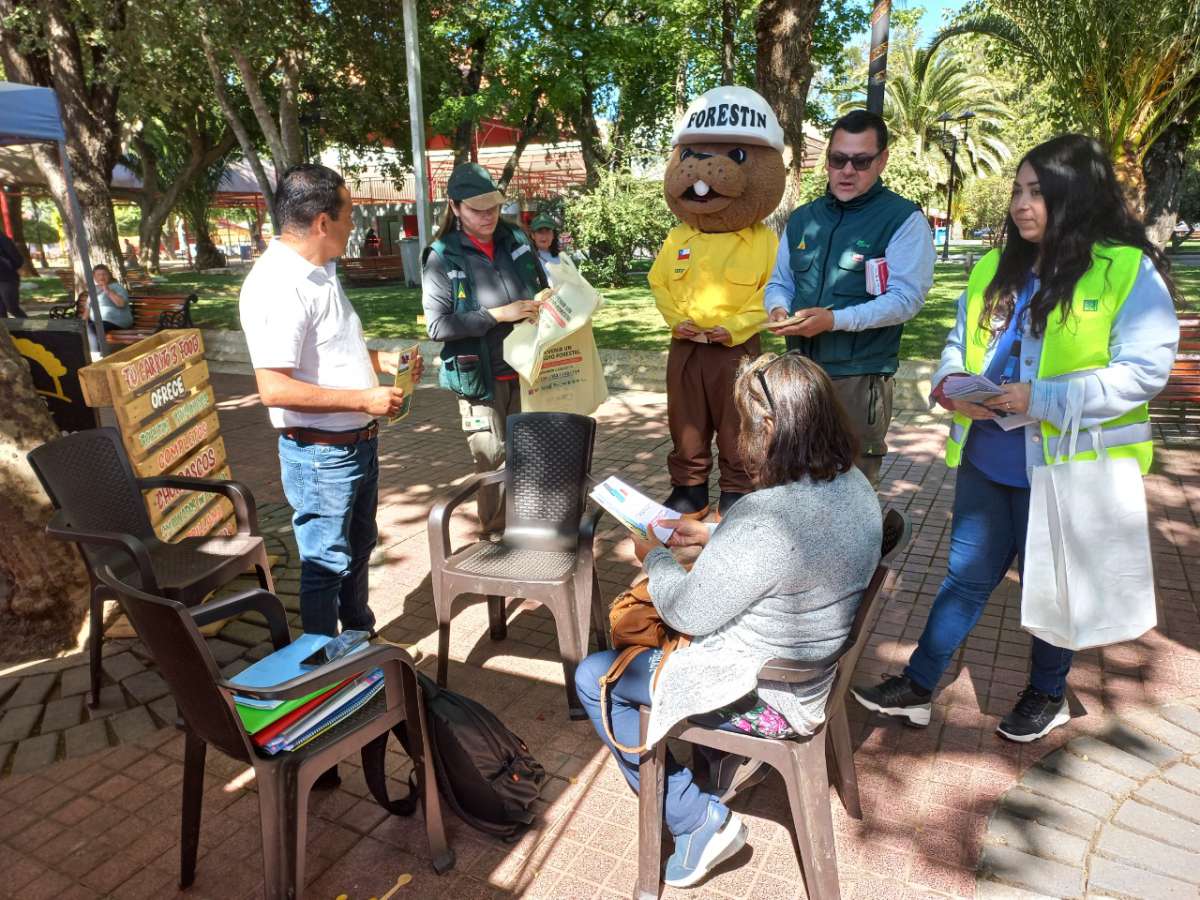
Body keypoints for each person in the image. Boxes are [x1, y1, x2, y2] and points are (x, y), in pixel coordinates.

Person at [852, 134, 1180, 743]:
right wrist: (949, 380)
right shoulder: (992, 267)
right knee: (965, 575)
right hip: (988, 456)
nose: (1022, 205)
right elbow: (960, 339)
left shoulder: (1125, 271)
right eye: (1018, 191)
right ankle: (920, 686)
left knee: (1048, 583)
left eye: (1039, 193)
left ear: (1077, 197)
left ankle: (1047, 694)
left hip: (1065, 465)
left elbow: (1142, 372)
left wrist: (1045, 398)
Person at [575, 352, 882, 888]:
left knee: (593, 678)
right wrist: (717, 538)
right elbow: (798, 551)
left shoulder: (766, 517)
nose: (738, 441)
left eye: (742, 425)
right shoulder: (852, 483)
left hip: (767, 695)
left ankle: (696, 821)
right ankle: (711, 779)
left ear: (768, 428)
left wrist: (654, 555)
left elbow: (686, 609)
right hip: (813, 674)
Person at [239, 164, 423, 639]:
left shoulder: (319, 269)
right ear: (323, 221)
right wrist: (363, 397)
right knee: (325, 562)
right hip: (321, 454)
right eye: (349, 216)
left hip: (354, 444)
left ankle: (359, 635)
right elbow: (273, 389)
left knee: (358, 545)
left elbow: (327, 349)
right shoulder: (280, 285)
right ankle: (321, 666)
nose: (353, 226)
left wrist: (381, 362)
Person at [765, 109, 935, 486]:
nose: (847, 170)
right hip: (798, 373)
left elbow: (906, 299)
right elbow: (780, 282)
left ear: (882, 160)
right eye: (838, 159)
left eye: (861, 161)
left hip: (858, 379)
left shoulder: (903, 219)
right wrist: (777, 309)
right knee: (792, 481)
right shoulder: (803, 218)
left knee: (852, 487)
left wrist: (835, 320)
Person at [422, 163, 546, 538]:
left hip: (527, 370)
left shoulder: (516, 240)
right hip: (481, 379)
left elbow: (540, 285)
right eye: (477, 209)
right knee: (491, 460)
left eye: (492, 206)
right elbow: (438, 326)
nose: (488, 215)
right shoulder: (442, 256)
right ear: (455, 208)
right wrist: (497, 315)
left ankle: (530, 531)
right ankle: (495, 538)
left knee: (530, 456)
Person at [88, 264, 133, 332]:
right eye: (98, 275)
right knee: (82, 328)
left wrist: (107, 290)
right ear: (94, 277)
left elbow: (121, 304)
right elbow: (88, 308)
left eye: (104, 274)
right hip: (99, 321)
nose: (101, 277)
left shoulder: (117, 287)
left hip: (117, 321)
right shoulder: (94, 289)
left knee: (93, 328)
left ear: (109, 275)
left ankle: (96, 342)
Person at [0, 230, 27, 318]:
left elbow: (15, 255)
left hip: (7, 278)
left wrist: (15, 267)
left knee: (12, 308)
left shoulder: (2, 238)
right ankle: (8, 331)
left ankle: (33, 330)